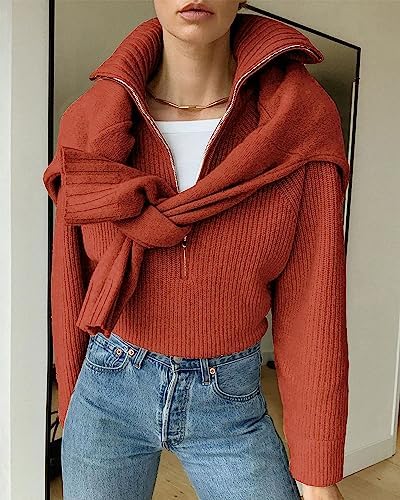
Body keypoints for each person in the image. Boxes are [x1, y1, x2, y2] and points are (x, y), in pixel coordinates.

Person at [43, 1, 350, 499]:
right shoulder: (89, 123)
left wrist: (318, 475)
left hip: (229, 402)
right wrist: (74, 396)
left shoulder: (299, 123)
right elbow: (71, 278)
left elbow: (313, 303)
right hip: (106, 390)